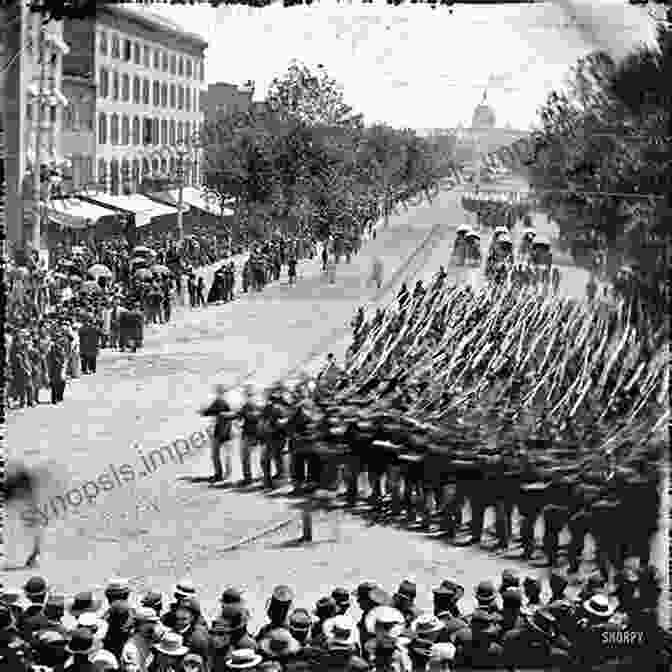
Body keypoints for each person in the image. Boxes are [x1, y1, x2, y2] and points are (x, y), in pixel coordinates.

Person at [200, 385, 235, 483]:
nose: (219, 394)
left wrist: (204, 412)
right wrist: (204, 412)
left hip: (224, 432)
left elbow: (231, 416)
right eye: (218, 392)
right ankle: (222, 474)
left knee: (221, 455)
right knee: (219, 455)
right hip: (222, 432)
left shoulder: (223, 403)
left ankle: (223, 474)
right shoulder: (219, 402)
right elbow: (209, 412)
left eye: (220, 392)